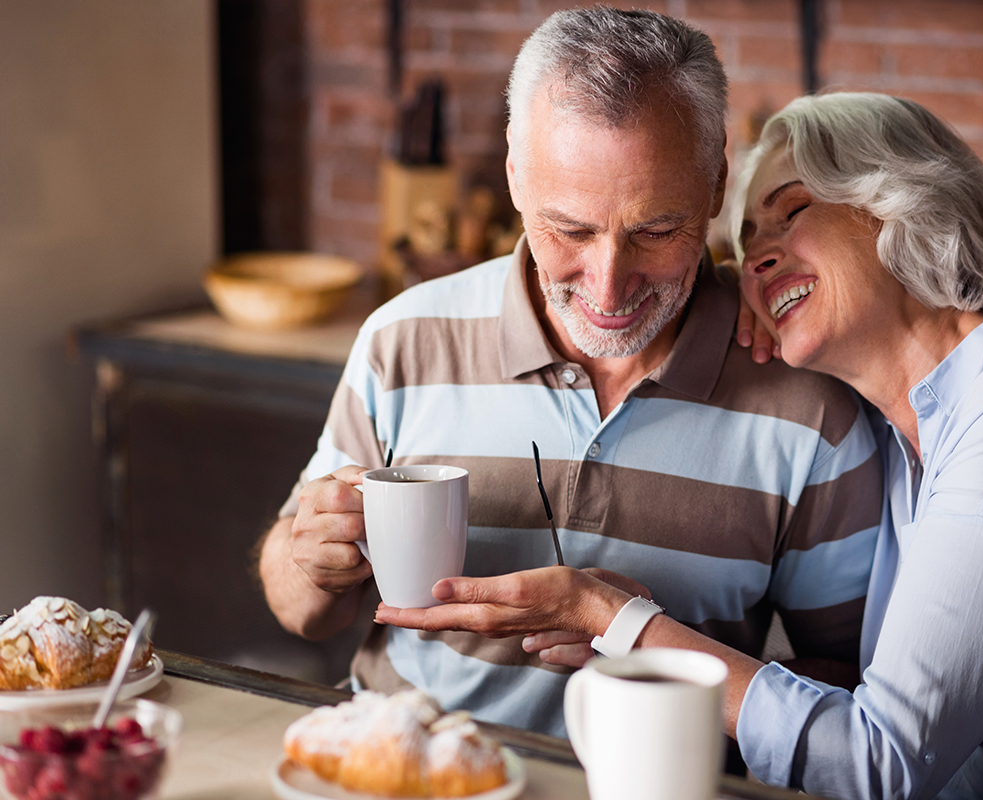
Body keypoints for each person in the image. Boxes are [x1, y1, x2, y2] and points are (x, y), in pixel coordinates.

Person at [378, 91, 983, 799]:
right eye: (742, 243)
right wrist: (648, 631)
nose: (755, 258)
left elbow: (879, 761)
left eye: (795, 211)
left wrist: (611, 614)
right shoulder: (918, 435)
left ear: (903, 203)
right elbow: (872, 709)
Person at [257, 7, 881, 741]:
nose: (610, 287)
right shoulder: (404, 339)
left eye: (656, 231)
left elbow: (847, 695)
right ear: (515, 178)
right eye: (570, 230)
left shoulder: (809, 401)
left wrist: (648, 642)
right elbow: (300, 609)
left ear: (717, 183)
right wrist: (308, 561)